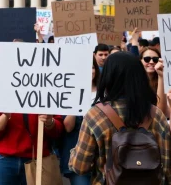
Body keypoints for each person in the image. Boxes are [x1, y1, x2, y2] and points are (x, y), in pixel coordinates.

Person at [69, 52, 171, 184]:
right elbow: (168, 166)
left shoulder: (95, 116)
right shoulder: (155, 114)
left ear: (108, 77)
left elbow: (80, 167)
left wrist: (74, 153)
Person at [0, 84, 64, 185]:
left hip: (38, 159)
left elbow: (58, 131)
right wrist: (5, 116)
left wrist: (49, 122)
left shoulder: (46, 86)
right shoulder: (2, 86)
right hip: (5, 161)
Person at [60, 57, 100, 184]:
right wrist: (78, 97)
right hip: (79, 156)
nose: (90, 71)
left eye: (92, 67)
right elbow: (68, 126)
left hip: (102, 158)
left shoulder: (105, 92)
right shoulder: (69, 92)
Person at [139, 47, 168, 116]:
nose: (151, 62)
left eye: (155, 59)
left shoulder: (166, 80)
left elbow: (161, 112)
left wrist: (161, 76)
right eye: (147, 59)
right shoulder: (134, 81)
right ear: (140, 61)